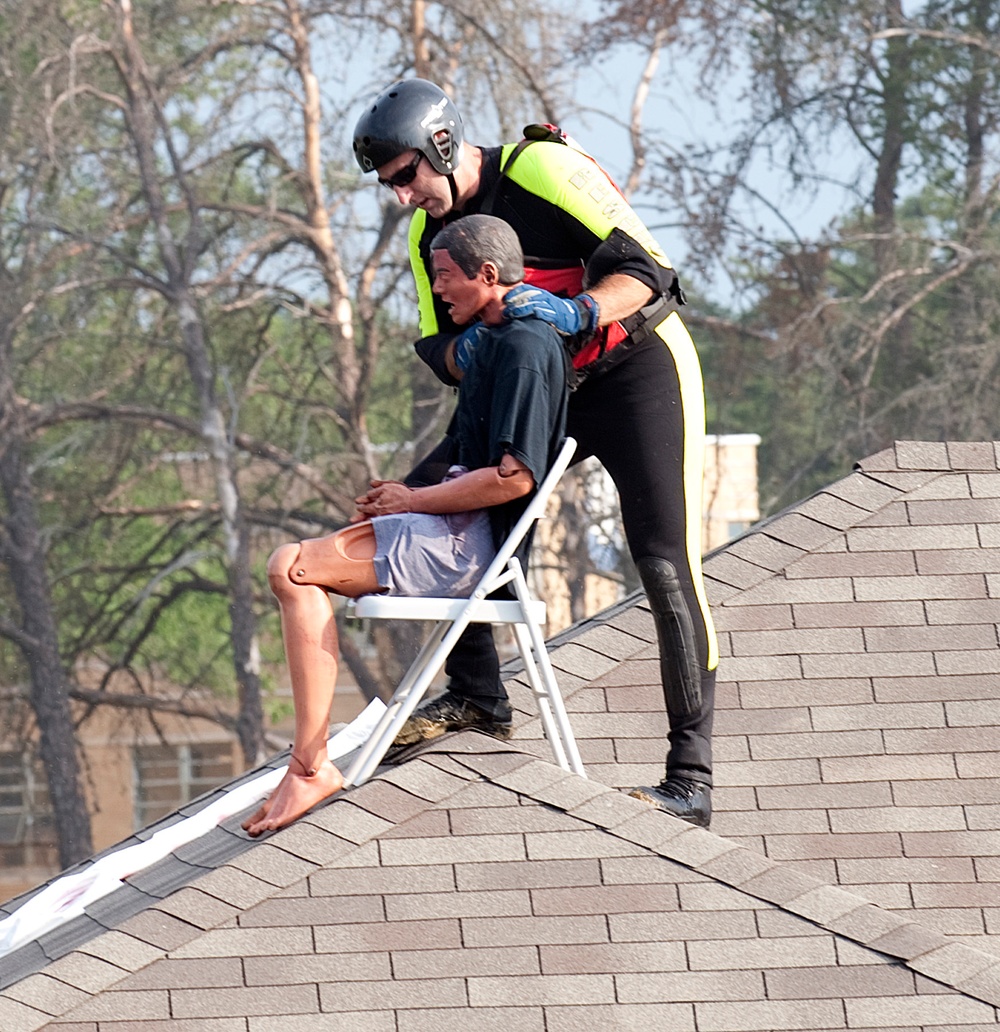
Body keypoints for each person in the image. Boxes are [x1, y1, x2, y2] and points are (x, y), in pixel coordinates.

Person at [353, 78, 718, 827]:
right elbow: (441, 352)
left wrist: (576, 309)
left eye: (404, 177)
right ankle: (480, 695)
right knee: (435, 500)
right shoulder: (434, 242)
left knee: (661, 562)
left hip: (639, 368)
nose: (400, 198)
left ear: (443, 147)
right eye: (388, 185)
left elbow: (652, 273)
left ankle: (691, 781)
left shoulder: (540, 170)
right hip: (545, 382)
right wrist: (491, 334)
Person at [241, 214, 568, 836]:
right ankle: (306, 766)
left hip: (477, 546)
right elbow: (459, 446)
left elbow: (514, 477)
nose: (437, 289)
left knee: (292, 566)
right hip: (455, 523)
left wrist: (414, 503)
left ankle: (309, 769)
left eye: (445, 276)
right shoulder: (493, 341)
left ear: (488, 274)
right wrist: (399, 492)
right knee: (294, 563)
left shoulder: (526, 349)